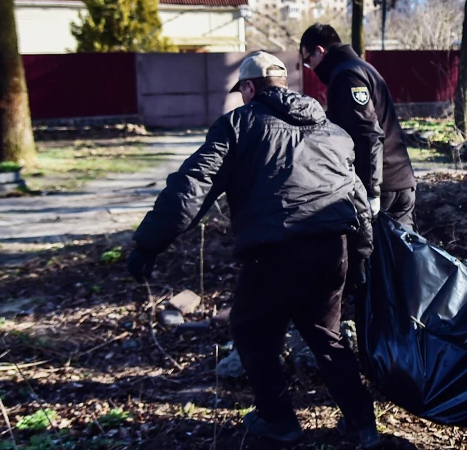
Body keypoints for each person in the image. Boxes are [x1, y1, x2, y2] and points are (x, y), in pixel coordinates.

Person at [125, 52, 387, 448]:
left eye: (242, 90)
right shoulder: (331, 131)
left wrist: (148, 245)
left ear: (249, 88)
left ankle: (278, 420)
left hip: (276, 253)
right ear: (283, 84)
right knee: (326, 336)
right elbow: (356, 198)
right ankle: (363, 425)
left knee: (250, 330)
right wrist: (361, 258)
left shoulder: (239, 125)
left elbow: (191, 189)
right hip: (332, 251)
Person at [301, 24, 417, 228]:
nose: (309, 68)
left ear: (320, 51)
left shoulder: (347, 76)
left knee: (377, 256)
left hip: (384, 187)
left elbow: (368, 134)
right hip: (398, 179)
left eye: (308, 61)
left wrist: (372, 192)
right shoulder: (360, 68)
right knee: (401, 256)